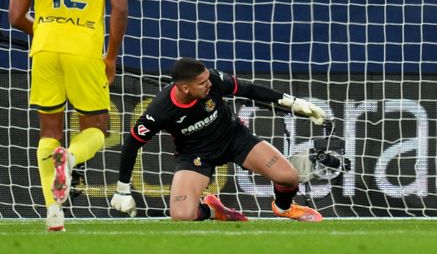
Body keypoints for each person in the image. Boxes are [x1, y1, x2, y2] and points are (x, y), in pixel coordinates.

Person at [9, 0, 129, 231]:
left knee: (49, 129)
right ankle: (71, 157)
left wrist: (45, 31)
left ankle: (53, 211)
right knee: (97, 128)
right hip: (85, 49)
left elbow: (16, 16)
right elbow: (119, 8)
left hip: (44, 49)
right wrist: (111, 56)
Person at [110, 57, 326, 222]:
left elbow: (248, 89)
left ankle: (284, 207)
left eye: (207, 79)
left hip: (234, 138)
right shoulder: (160, 110)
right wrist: (122, 189)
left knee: (289, 177)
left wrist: (292, 102)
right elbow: (132, 143)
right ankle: (213, 210)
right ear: (185, 88)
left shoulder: (212, 79)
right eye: (202, 82)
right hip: (196, 155)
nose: (209, 84)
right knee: (181, 216)